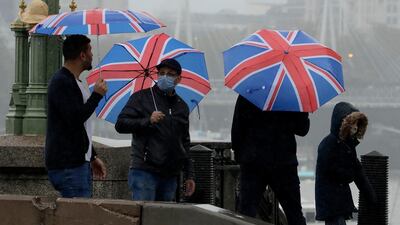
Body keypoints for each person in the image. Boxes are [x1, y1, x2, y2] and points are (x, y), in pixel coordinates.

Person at [115, 58, 195, 201]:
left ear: (178, 79)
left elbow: (185, 142)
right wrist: (148, 120)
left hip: (170, 174)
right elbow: (121, 124)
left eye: (170, 74)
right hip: (144, 170)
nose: (165, 77)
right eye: (162, 73)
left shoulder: (182, 106)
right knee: (144, 216)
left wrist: (189, 175)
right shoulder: (141, 97)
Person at [45, 35, 108, 198]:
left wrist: (92, 156)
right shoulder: (62, 81)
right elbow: (74, 118)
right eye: (90, 50)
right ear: (82, 55)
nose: (92, 55)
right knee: (79, 216)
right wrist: (97, 96)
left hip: (78, 162)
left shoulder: (76, 82)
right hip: (69, 165)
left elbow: (81, 127)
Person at [231, 95, 310, 225]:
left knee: (246, 213)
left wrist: (241, 157)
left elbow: (237, 128)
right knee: (294, 213)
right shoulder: (292, 96)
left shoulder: (248, 94)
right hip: (283, 161)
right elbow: (302, 129)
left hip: (253, 161)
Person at [315, 102, 376, 225]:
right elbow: (338, 173)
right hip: (330, 203)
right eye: (353, 123)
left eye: (357, 124)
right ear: (343, 123)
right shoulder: (329, 144)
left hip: (337, 202)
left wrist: (371, 197)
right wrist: (350, 174)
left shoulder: (347, 145)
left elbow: (358, 172)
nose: (355, 127)